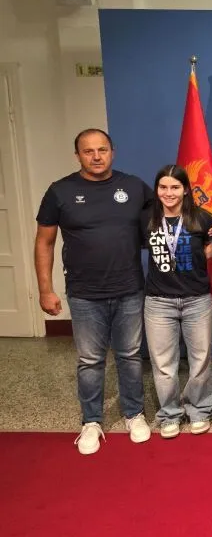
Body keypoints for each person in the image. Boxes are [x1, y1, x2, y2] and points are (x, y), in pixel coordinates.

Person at [34, 129, 154, 455]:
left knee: (130, 355)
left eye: (102, 149)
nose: (96, 156)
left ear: (112, 151)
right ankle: (91, 421)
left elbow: (166, 220)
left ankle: (134, 414)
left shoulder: (134, 187)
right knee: (90, 360)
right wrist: (45, 290)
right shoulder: (60, 191)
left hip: (129, 288)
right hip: (84, 293)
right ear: (78, 156)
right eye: (88, 151)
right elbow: (44, 242)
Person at [142, 164, 212, 438]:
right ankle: (170, 414)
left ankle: (199, 409)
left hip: (197, 300)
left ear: (186, 190)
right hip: (159, 302)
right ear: (157, 190)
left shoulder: (202, 218)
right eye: (163, 187)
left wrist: (208, 251)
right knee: (163, 363)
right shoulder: (146, 219)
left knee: (200, 360)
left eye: (175, 187)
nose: (169, 193)